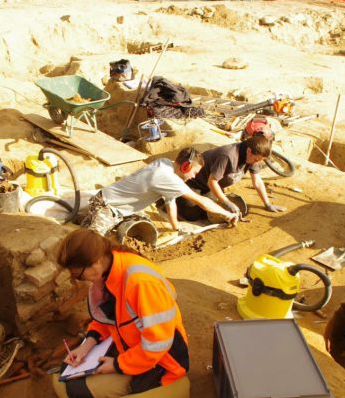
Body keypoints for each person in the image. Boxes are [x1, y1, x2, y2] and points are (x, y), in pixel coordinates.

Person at [54, 229, 190, 398]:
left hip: (163, 362)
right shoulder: (107, 268)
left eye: (78, 275)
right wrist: (86, 346)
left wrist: (117, 365)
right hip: (132, 348)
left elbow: (158, 343)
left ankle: (174, 388)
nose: (78, 279)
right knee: (65, 375)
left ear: (94, 262)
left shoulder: (140, 283)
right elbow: (105, 318)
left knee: (77, 391)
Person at [83, 147, 238, 237]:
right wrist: (228, 214)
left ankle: (100, 221)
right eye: (194, 173)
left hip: (121, 209)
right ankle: (89, 222)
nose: (194, 177)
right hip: (105, 205)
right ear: (186, 167)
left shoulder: (165, 163)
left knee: (145, 222)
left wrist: (175, 226)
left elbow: (170, 202)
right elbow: (202, 202)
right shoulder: (166, 177)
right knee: (93, 240)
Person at [177, 135, 285, 221]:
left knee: (215, 211)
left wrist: (267, 204)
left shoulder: (253, 157)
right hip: (193, 183)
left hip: (209, 188)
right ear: (249, 151)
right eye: (256, 160)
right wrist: (226, 202)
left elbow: (257, 181)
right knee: (192, 215)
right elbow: (212, 182)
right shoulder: (227, 156)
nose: (256, 163)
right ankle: (175, 198)